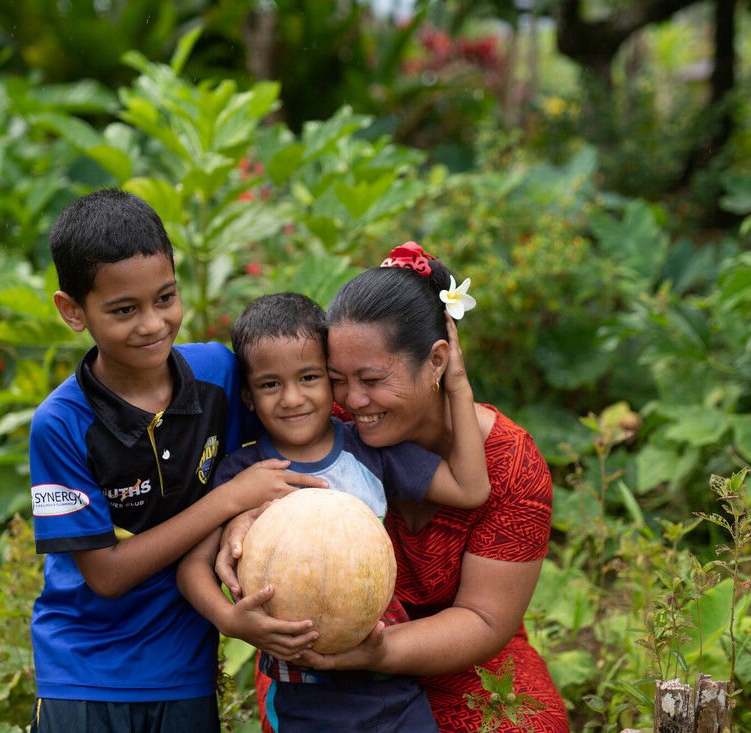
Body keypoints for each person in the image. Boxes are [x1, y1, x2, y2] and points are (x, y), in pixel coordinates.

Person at [218, 243, 570, 732]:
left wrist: (379, 653)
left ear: (438, 361)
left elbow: (486, 621)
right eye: (337, 378)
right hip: (322, 661)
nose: (354, 399)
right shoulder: (327, 420)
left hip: (461, 657)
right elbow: (255, 472)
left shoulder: (511, 465)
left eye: (372, 379)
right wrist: (239, 518)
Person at [26, 189, 326, 733]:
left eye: (165, 298)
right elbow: (108, 575)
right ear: (73, 311)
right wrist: (227, 501)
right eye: (123, 310)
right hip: (83, 673)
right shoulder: (61, 424)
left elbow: (301, 428)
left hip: (183, 669)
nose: (153, 324)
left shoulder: (220, 374)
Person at [177, 290, 491, 733]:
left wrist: (456, 383)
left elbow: (471, 487)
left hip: (392, 680)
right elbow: (192, 567)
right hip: (305, 694)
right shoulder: (242, 473)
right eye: (270, 384)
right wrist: (232, 621)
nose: (291, 399)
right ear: (248, 396)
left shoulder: (371, 451)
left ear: (331, 380)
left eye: (309, 377)